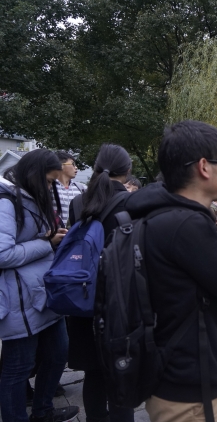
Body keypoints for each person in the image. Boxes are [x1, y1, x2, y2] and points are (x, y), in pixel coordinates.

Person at [124, 120, 217, 421]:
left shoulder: (157, 213)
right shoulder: (187, 225)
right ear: (205, 167)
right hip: (192, 390)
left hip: (171, 372)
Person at [0, 149, 79, 422]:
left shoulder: (32, 198)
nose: (50, 187)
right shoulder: (7, 202)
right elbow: (2, 254)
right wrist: (45, 242)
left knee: (58, 354)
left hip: (43, 295)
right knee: (18, 367)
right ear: (34, 174)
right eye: (48, 181)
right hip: (18, 301)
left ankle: (43, 411)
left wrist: (51, 237)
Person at [67, 144, 134, 422]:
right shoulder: (130, 204)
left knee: (93, 374)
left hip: (83, 297)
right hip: (120, 302)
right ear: (127, 170)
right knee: (121, 376)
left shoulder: (78, 203)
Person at [52, 151, 86, 227]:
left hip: (75, 232)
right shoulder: (51, 187)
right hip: (55, 232)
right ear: (61, 165)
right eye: (73, 164)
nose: (76, 167)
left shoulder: (81, 188)